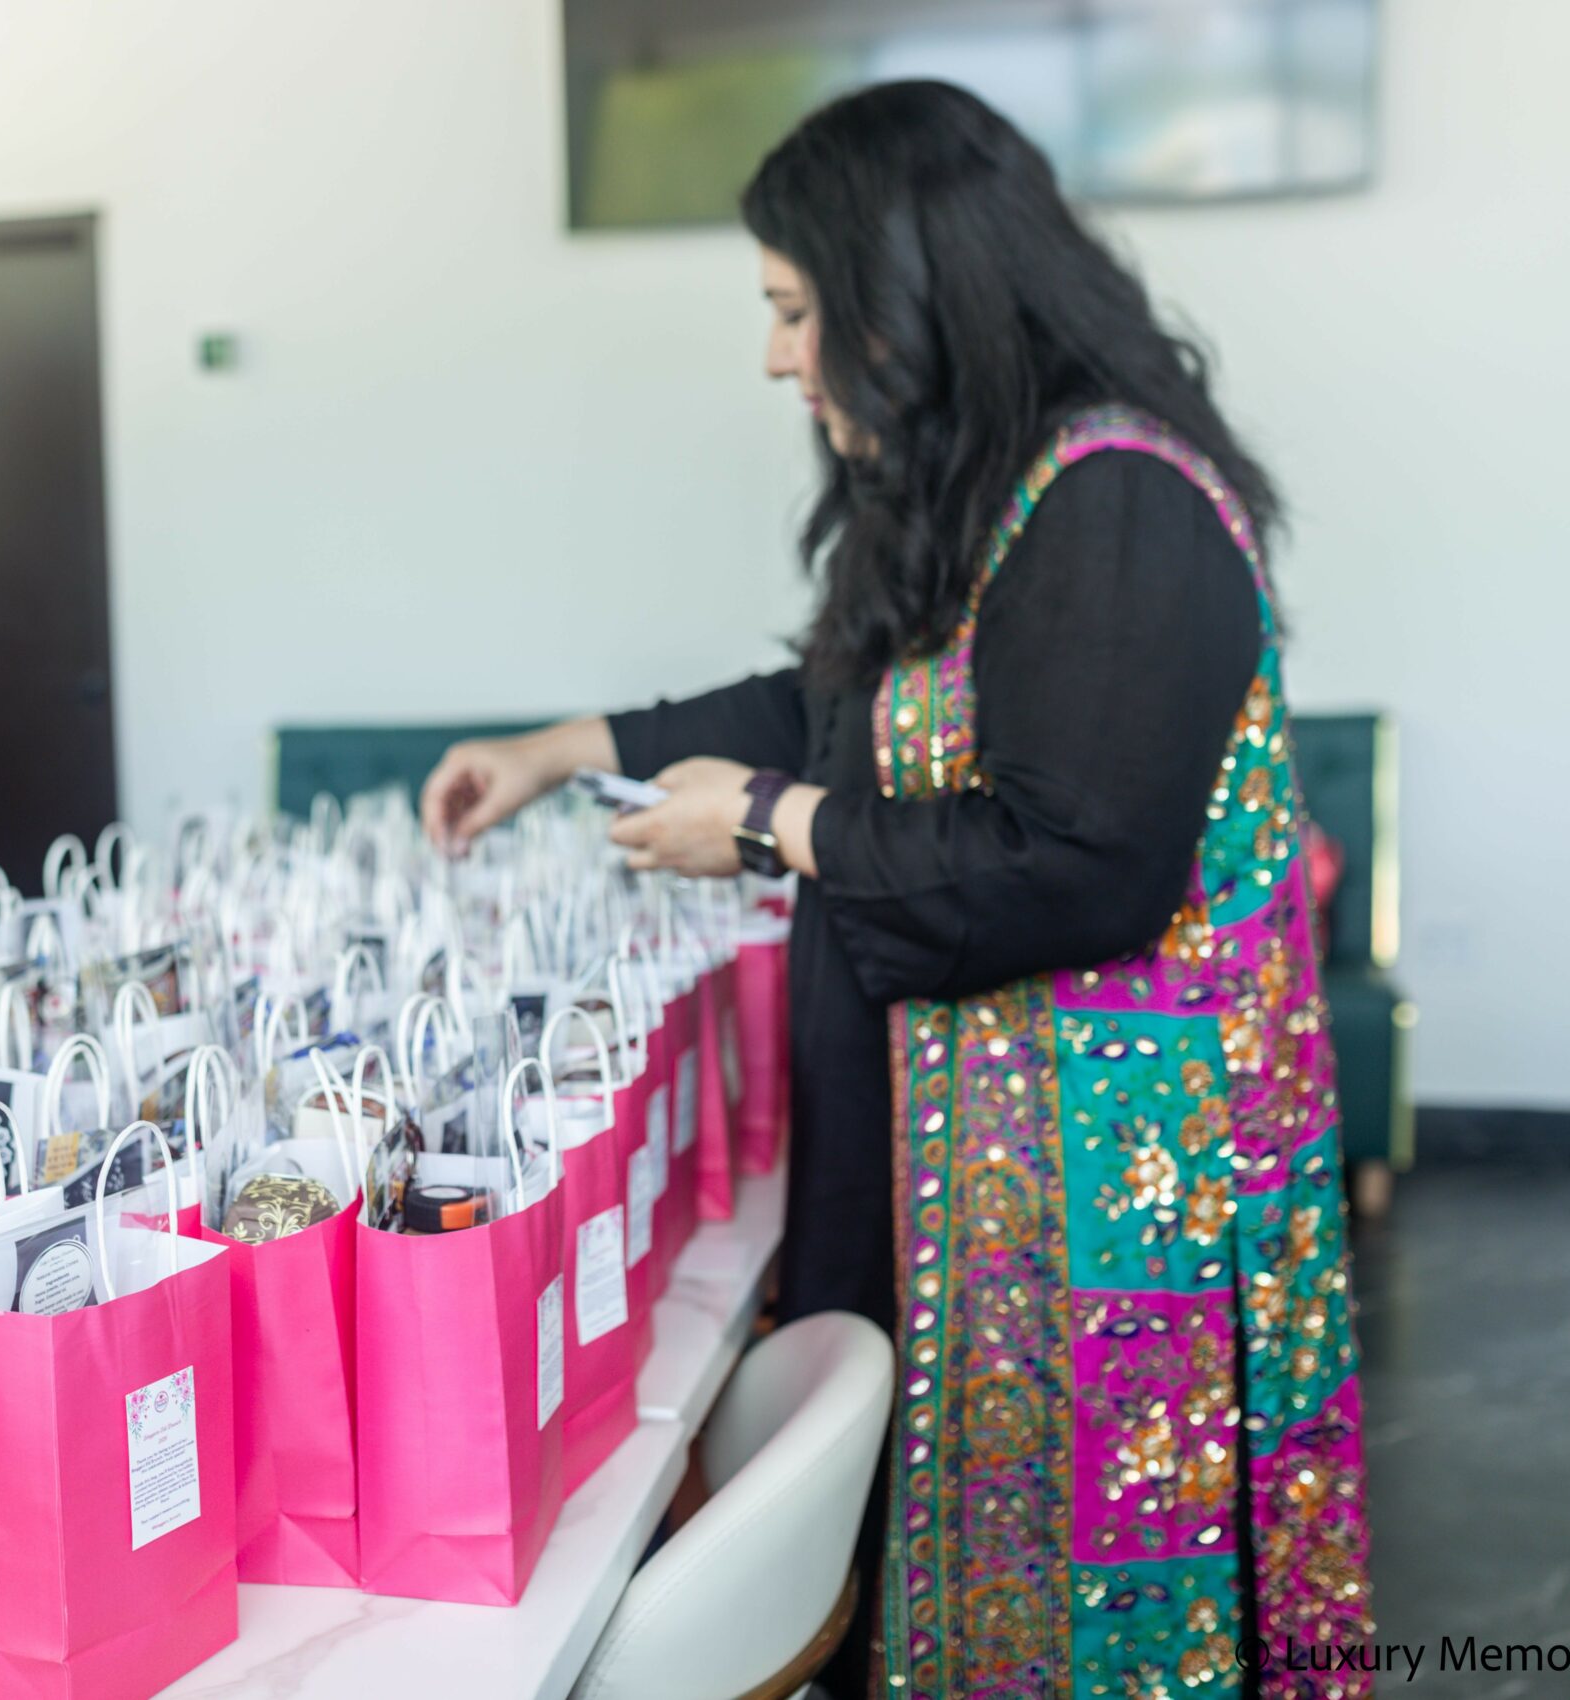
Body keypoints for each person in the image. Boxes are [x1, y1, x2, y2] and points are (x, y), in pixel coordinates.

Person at [422, 82, 1370, 1700]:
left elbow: (1079, 864)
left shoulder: (1116, 501)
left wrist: (778, 828)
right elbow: (835, 707)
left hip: (1126, 1201)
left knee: (1112, 1624)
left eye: (796, 311)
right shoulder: (988, 498)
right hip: (993, 1169)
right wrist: (562, 747)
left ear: (909, 294)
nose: (779, 360)